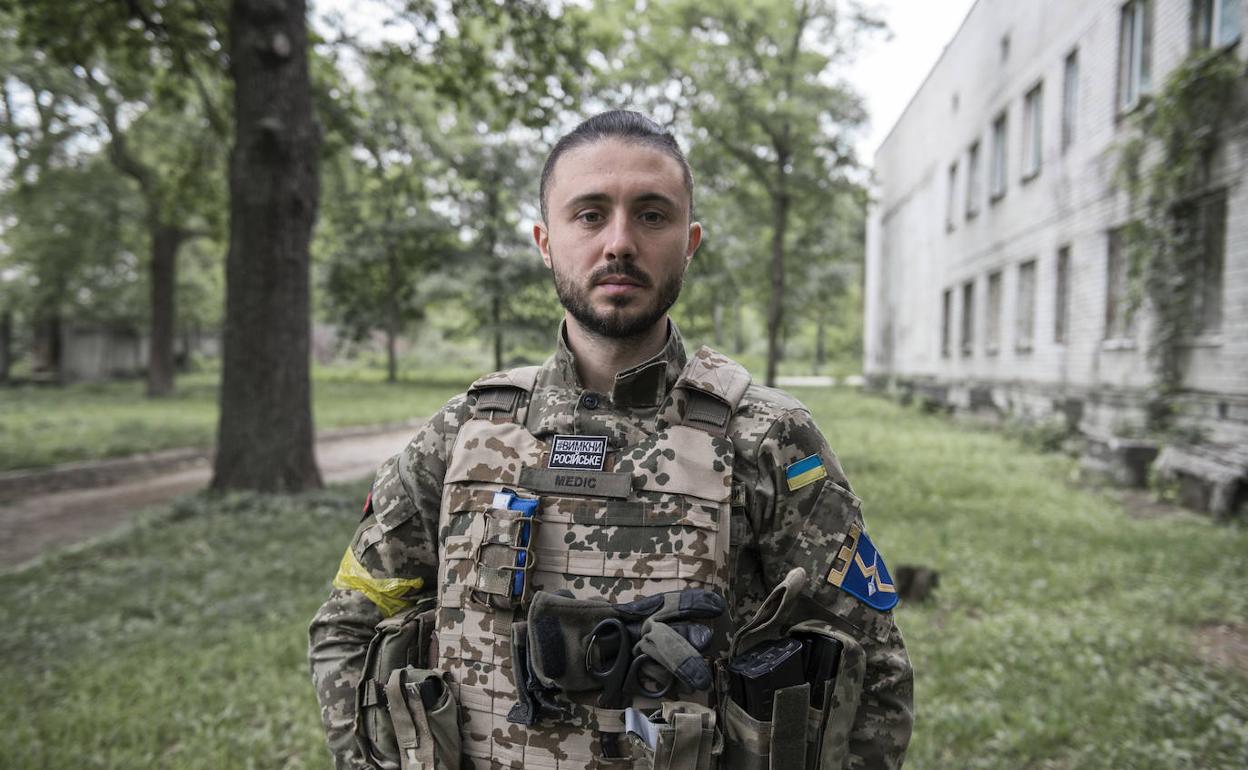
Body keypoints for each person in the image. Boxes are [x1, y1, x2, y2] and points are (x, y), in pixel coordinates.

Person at [308, 110, 913, 769]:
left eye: (652, 215)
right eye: (590, 215)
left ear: (690, 242)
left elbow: (872, 666)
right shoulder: (463, 435)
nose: (619, 242)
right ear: (546, 240)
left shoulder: (769, 439)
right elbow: (350, 623)